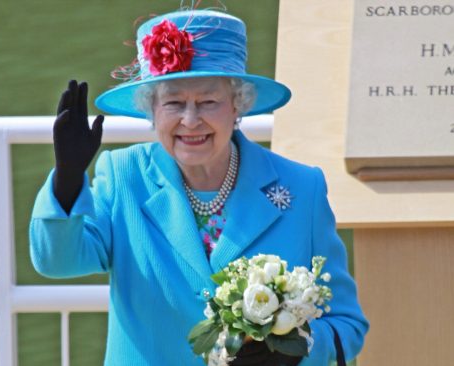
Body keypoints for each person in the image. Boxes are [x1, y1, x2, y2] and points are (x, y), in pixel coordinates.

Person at [29, 8, 368, 366]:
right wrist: (66, 180)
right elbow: (58, 262)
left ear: (238, 105)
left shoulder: (302, 188)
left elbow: (346, 325)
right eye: (174, 102)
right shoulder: (124, 176)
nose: (190, 121)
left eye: (208, 101)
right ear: (152, 110)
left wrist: (298, 351)